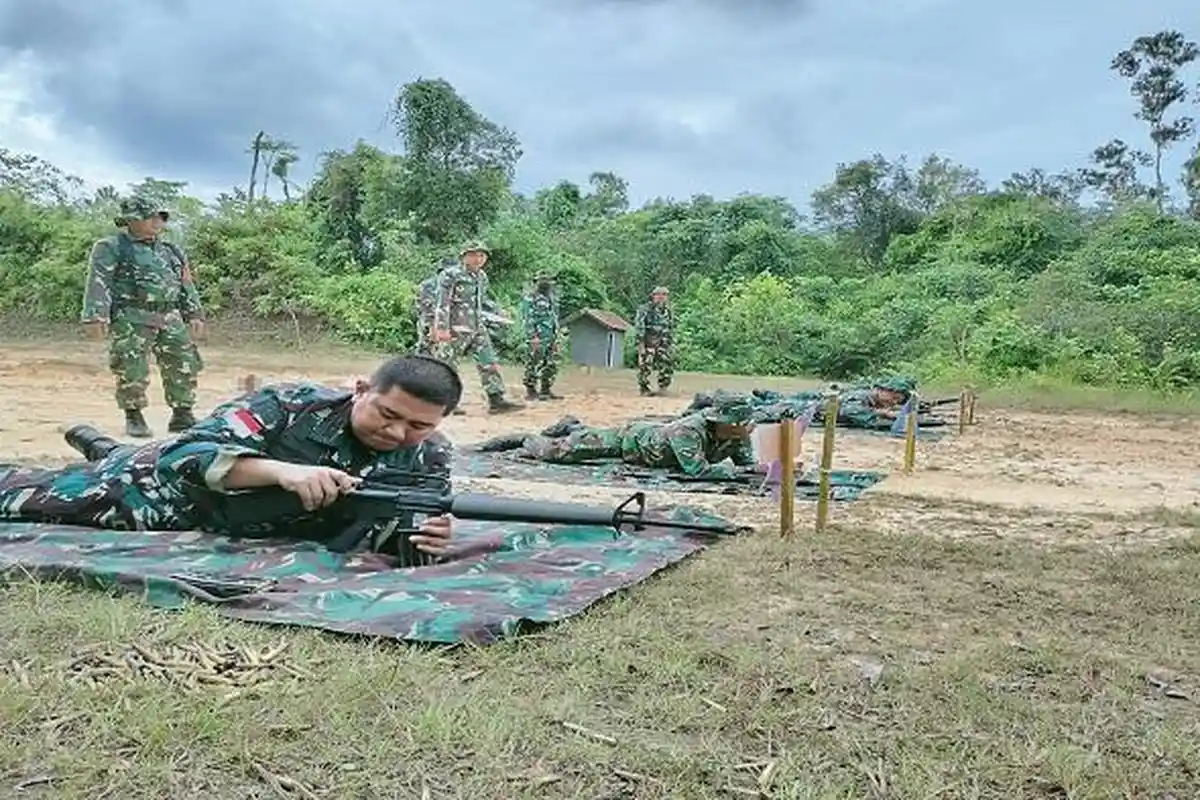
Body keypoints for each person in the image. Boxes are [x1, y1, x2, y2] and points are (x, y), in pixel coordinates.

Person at [0, 355, 462, 558]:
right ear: (361, 390)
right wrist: (284, 472)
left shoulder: (428, 458)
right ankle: (109, 456)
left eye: (419, 426)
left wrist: (423, 538)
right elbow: (185, 454)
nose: (397, 433)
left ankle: (103, 446)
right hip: (162, 496)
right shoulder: (289, 404)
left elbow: (385, 534)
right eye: (387, 414)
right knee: (18, 495)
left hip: (259, 525)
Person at [81, 193, 207, 438]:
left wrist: (194, 313)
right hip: (132, 315)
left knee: (183, 362)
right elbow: (99, 281)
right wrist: (96, 315)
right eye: (151, 217)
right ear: (132, 220)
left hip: (170, 315)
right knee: (131, 366)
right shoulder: (112, 247)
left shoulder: (172, 251)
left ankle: (182, 414)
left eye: (160, 217)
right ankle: (134, 415)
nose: (157, 222)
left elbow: (186, 283)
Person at [514, 398, 759, 479]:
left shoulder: (737, 436)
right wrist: (735, 473)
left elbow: (747, 465)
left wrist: (763, 470)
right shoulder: (689, 430)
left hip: (649, 445)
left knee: (587, 437)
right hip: (630, 441)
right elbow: (698, 470)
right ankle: (527, 439)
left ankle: (574, 426)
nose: (748, 429)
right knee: (556, 453)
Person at [429, 241, 523, 414]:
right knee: (448, 365)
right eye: (473, 255)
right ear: (463, 256)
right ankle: (444, 402)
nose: (478, 259)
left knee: (488, 361)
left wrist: (499, 312)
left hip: (476, 326)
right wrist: (441, 328)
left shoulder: (481, 277)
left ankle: (496, 399)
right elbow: (442, 302)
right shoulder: (450, 275)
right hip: (455, 327)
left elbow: (482, 300)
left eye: (481, 255)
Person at [519, 272, 562, 401]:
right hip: (538, 336)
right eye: (542, 280)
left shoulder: (552, 298)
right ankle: (531, 390)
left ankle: (546, 389)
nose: (546, 283)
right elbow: (527, 318)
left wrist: (557, 337)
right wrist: (533, 336)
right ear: (536, 282)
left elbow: (554, 318)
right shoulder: (530, 298)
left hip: (551, 336)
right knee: (533, 362)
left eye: (548, 280)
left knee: (551, 363)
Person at [634, 286, 675, 396]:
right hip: (649, 342)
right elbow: (639, 326)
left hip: (663, 342)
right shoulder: (645, 309)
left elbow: (670, 327)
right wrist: (641, 344)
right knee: (645, 365)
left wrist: (670, 343)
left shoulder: (668, 311)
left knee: (668, 363)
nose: (661, 297)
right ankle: (644, 388)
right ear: (653, 296)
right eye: (659, 294)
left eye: (664, 295)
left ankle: (663, 387)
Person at [415, 257, 458, 356]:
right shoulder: (427, 285)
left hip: (447, 323)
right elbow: (425, 307)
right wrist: (432, 325)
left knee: (445, 353)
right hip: (430, 322)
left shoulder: (455, 286)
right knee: (426, 350)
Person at [837, 376, 916, 427]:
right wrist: (880, 413)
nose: (894, 402)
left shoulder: (874, 402)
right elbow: (848, 411)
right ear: (881, 390)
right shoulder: (861, 395)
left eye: (898, 402)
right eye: (894, 397)